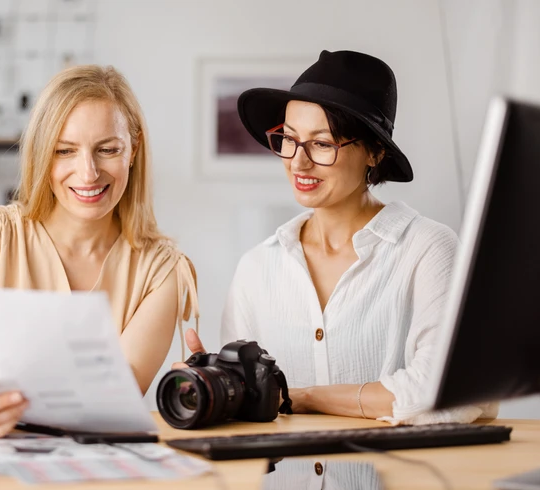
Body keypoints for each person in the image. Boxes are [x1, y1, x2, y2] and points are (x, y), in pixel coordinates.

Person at [178, 50, 496, 424]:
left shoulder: (428, 250)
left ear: (375, 152)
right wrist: (210, 385)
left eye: (322, 144)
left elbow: (450, 394)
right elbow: (249, 403)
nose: (298, 161)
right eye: (289, 138)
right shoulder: (257, 267)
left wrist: (305, 397)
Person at [0, 65, 199, 438]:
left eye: (108, 149)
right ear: (41, 154)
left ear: (133, 149)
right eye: (64, 151)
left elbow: (115, 396)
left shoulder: (163, 272)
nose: (88, 173)